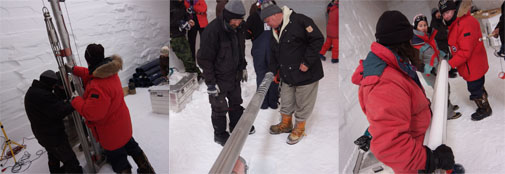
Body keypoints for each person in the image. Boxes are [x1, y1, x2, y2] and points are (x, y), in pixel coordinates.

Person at [351, 10, 455, 173]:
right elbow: (390, 146)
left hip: (421, 140)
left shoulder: (397, 63)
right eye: (411, 40)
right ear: (403, 42)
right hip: (415, 161)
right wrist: (431, 160)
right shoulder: (385, 83)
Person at [68, 44, 155, 173]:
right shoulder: (110, 72)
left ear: (88, 59)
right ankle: (147, 169)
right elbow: (90, 73)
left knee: (119, 160)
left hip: (110, 133)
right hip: (123, 123)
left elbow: (92, 113)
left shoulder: (97, 86)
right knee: (132, 146)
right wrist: (74, 69)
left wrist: (75, 100)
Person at [261, 1, 324, 145]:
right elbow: (274, 52)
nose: (268, 24)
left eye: (268, 20)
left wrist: (307, 62)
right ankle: (286, 124)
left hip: (306, 74)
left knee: (303, 102)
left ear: (276, 14)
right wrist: (272, 71)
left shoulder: (301, 21)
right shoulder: (275, 29)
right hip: (287, 74)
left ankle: (299, 128)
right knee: (286, 99)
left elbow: (318, 39)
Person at [197, 0, 255, 146]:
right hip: (218, 78)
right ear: (227, 17)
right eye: (235, 20)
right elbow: (204, 59)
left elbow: (241, 49)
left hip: (234, 74)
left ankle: (235, 126)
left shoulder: (239, 27)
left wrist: (242, 67)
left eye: (240, 19)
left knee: (236, 103)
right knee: (219, 107)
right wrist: (211, 83)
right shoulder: (213, 31)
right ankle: (220, 134)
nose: (237, 23)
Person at [439, 0, 492, 120]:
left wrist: (450, 64)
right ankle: (482, 94)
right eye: (443, 14)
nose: (446, 16)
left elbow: (465, 52)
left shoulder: (464, 23)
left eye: (448, 12)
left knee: (474, 88)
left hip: (472, 65)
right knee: (477, 84)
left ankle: (485, 109)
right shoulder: (456, 23)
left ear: (454, 9)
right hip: (471, 65)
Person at [24, 70, 83, 173]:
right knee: (70, 160)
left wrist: (63, 103)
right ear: (49, 83)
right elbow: (59, 111)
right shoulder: (44, 96)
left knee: (53, 156)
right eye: (53, 85)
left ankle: (55, 172)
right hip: (54, 137)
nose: (54, 88)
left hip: (42, 135)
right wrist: (74, 102)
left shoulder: (32, 91)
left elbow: (51, 107)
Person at [411, 14, 461, 120]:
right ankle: (448, 113)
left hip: (437, 67)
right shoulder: (415, 43)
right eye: (420, 25)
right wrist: (430, 69)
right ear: (416, 27)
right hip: (429, 72)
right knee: (441, 91)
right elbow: (416, 63)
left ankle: (448, 107)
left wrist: (443, 55)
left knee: (446, 87)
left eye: (425, 24)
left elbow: (435, 51)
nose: (423, 27)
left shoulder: (429, 36)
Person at [245, 0, 279, 110]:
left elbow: (246, 34)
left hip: (259, 51)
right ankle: (273, 102)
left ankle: (262, 103)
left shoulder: (253, 17)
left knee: (261, 75)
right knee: (274, 74)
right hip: (273, 50)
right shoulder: (275, 15)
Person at [171, 0, 202, 79]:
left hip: (182, 34)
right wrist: (179, 23)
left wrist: (189, 20)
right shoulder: (170, 5)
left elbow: (185, 14)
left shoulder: (182, 4)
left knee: (188, 56)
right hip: (174, 36)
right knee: (187, 57)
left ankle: (195, 75)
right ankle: (196, 75)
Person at [430, 7, 458, 78]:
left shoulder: (440, 21)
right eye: (436, 14)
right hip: (440, 45)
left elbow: (444, 28)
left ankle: (451, 69)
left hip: (445, 44)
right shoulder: (433, 24)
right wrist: (446, 34)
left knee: (449, 56)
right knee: (444, 59)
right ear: (434, 15)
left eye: (438, 13)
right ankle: (448, 73)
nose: (438, 14)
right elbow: (437, 35)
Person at [184, 0, 208, 65]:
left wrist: (193, 7)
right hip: (192, 23)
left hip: (202, 23)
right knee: (191, 43)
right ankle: (193, 64)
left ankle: (204, 63)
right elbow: (185, 11)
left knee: (204, 43)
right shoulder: (186, 1)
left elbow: (204, 9)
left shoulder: (200, 0)